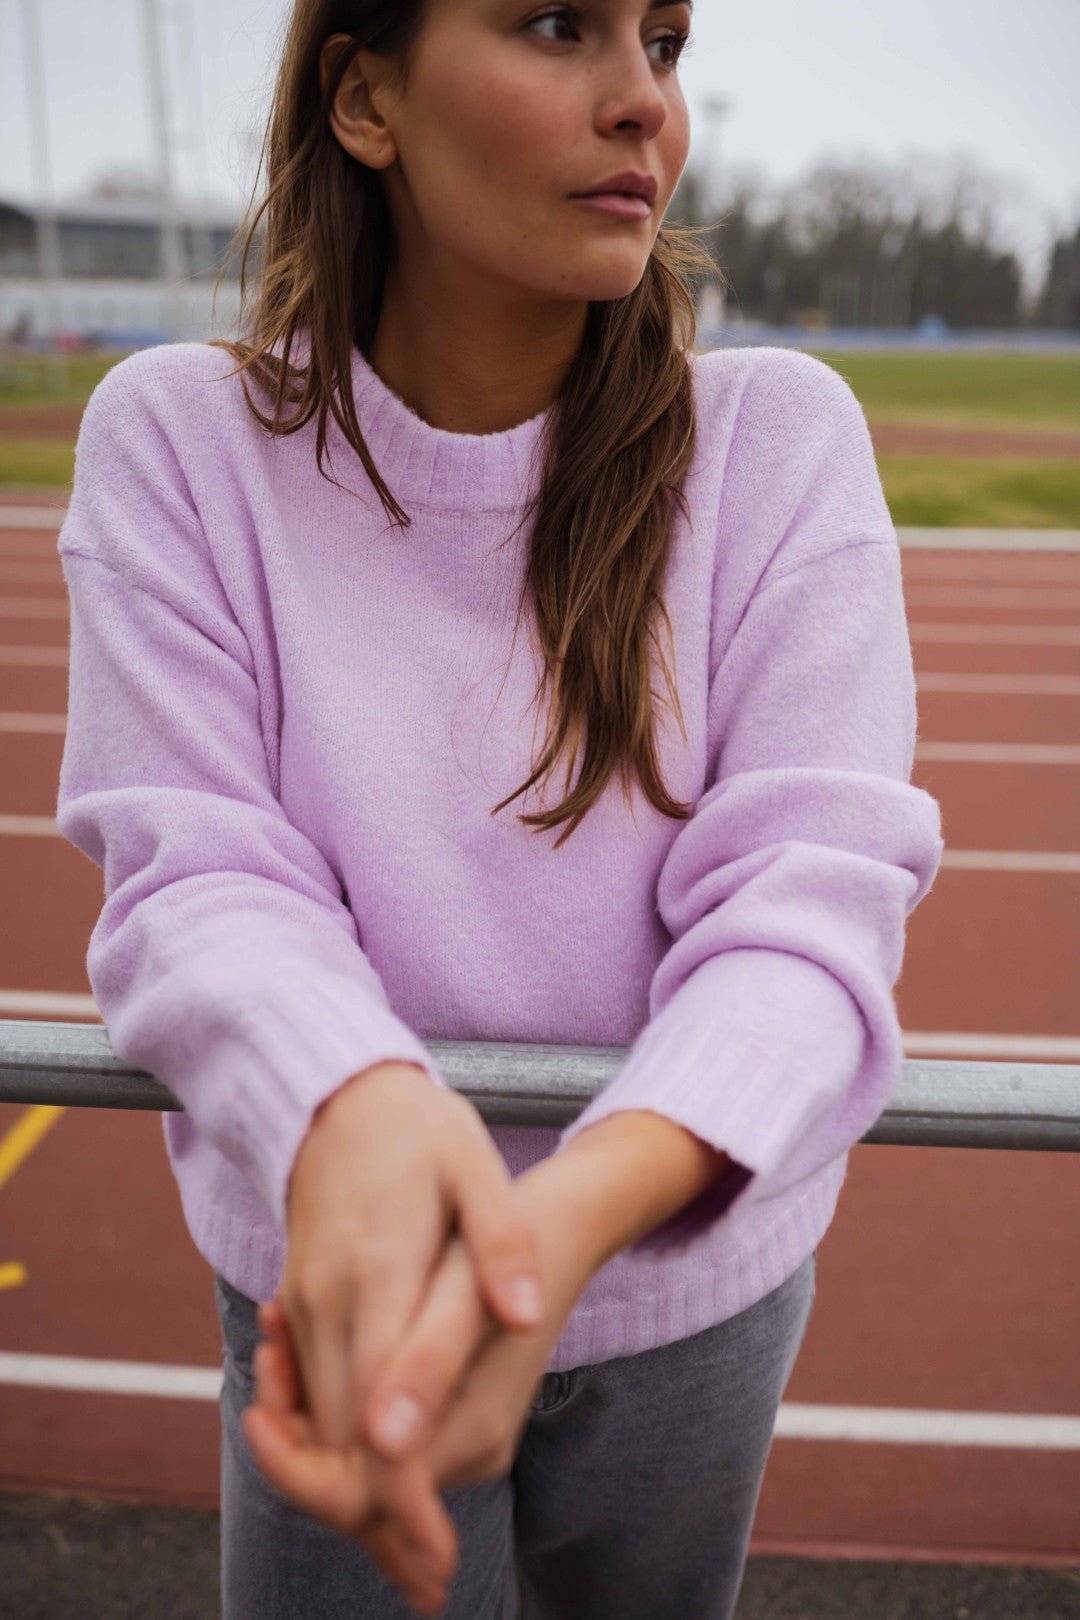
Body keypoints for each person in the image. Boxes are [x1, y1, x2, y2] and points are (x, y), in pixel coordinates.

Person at [54, 1, 945, 1615]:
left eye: (663, 43)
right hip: (341, 1261)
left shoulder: (780, 445)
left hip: (685, 1294)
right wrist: (363, 1122)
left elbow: (809, 916)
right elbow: (199, 880)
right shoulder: (178, 445)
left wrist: (559, 1236)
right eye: (558, 27)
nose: (643, 107)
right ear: (366, 96)